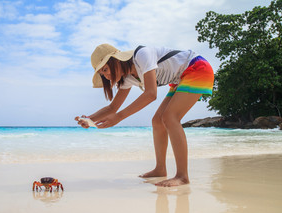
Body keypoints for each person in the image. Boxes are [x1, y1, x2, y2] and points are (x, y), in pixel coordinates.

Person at [75, 43, 214, 187]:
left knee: (170, 117)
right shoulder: (127, 78)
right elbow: (112, 108)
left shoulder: (142, 55)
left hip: (196, 67)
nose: (106, 75)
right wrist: (89, 119)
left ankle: (182, 176)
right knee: (157, 121)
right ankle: (160, 169)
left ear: (115, 60)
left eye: (105, 69)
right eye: (102, 73)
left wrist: (119, 117)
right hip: (180, 79)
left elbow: (151, 94)